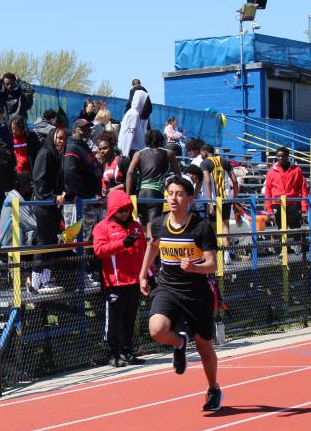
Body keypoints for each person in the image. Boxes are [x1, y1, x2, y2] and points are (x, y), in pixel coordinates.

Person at [138, 176, 222, 411]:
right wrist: (143, 274)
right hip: (168, 288)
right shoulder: (159, 223)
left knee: (204, 347)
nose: (173, 198)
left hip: (197, 293)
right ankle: (179, 342)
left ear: (189, 198)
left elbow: (212, 264)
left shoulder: (201, 227)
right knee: (156, 329)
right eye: (170, 193)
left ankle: (213, 388)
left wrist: (194, 267)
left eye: (179, 194)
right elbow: (152, 246)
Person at [92, 189, 146, 367]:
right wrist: (122, 244)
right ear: (113, 210)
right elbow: (99, 250)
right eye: (121, 210)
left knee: (130, 319)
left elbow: (144, 252)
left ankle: (128, 352)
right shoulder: (102, 227)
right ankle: (113, 354)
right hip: (115, 282)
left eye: (127, 210)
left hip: (134, 281)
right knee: (114, 320)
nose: (125, 213)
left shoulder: (136, 227)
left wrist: (149, 275)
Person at [126, 129, 180, 240]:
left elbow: (130, 172)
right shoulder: (169, 153)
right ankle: (152, 251)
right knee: (153, 231)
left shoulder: (138, 154)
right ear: (161, 140)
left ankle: (145, 250)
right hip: (155, 194)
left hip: (140, 193)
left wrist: (127, 195)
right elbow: (178, 175)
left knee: (144, 229)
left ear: (146, 140)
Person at [31, 126, 67, 291]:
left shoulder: (57, 156)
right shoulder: (45, 153)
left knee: (52, 242)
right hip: (43, 204)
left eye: (64, 139)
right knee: (44, 242)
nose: (61, 142)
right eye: (59, 138)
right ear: (52, 138)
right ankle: (35, 283)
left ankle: (45, 280)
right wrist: (53, 197)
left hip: (53, 206)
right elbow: (39, 181)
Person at [262, 147, 309, 250]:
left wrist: (304, 206)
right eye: (278, 156)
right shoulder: (272, 171)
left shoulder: (296, 169)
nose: (281, 158)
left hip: (293, 202)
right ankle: (283, 250)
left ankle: (297, 246)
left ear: (287, 156)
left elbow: (303, 188)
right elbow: (268, 190)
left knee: (295, 226)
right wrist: (269, 208)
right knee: (281, 227)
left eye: (283, 156)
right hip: (277, 203)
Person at [118, 89, 149, 157]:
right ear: (141, 100)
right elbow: (128, 135)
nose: (146, 103)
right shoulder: (134, 114)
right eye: (145, 101)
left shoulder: (133, 113)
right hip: (132, 152)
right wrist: (125, 154)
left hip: (133, 151)